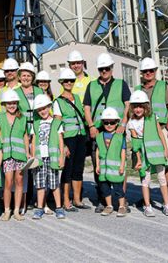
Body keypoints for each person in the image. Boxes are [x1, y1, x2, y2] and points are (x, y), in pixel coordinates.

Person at [84, 53, 131, 211]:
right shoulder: (92, 85)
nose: (104, 71)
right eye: (101, 69)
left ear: (112, 68)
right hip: (98, 130)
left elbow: (127, 105)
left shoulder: (121, 84)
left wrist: (123, 123)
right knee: (100, 165)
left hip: (117, 129)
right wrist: (91, 126)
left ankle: (121, 200)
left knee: (119, 165)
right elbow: (87, 107)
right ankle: (104, 200)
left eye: (107, 68)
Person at [135, 57, 168, 202]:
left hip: (162, 129)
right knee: (144, 165)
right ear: (141, 72)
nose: (148, 73)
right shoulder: (138, 89)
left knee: (165, 162)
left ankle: (167, 198)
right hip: (142, 131)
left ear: (155, 71)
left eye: (151, 70)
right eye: (145, 71)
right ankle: (146, 198)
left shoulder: (163, 86)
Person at [127, 90, 168, 217]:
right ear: (132, 107)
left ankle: (166, 205)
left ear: (146, 106)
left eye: (140, 106)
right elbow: (135, 144)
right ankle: (147, 206)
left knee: (162, 178)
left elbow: (160, 134)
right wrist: (139, 160)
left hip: (157, 153)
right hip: (143, 155)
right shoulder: (132, 123)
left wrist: (165, 149)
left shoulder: (153, 118)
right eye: (135, 106)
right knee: (145, 180)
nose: (138, 109)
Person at [55, 68, 87, 212]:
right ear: (61, 82)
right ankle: (66, 200)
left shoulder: (77, 98)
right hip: (68, 138)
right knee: (67, 170)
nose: (69, 83)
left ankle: (77, 199)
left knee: (78, 168)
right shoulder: (58, 102)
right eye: (66, 80)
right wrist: (64, 146)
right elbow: (57, 125)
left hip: (80, 136)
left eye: (71, 80)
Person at [30, 95, 66, 220]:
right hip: (40, 159)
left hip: (53, 158)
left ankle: (59, 208)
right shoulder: (35, 124)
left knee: (54, 184)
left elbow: (61, 141)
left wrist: (61, 157)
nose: (42, 111)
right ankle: (39, 208)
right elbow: (33, 141)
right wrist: (33, 157)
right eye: (39, 110)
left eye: (44, 108)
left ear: (49, 107)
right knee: (40, 185)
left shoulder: (57, 123)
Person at [13, 61, 42, 212]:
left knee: (38, 164)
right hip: (23, 132)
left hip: (37, 130)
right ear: (19, 77)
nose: (25, 78)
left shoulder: (39, 92)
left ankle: (40, 198)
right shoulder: (15, 93)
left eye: (28, 75)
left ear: (32, 76)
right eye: (23, 75)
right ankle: (26, 198)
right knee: (24, 166)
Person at [0, 89, 30, 221]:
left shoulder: (23, 118)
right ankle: (7, 210)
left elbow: (25, 136)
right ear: (4, 104)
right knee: (8, 182)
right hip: (7, 154)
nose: (11, 106)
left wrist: (27, 152)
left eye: (14, 103)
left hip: (20, 154)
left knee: (19, 181)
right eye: (9, 103)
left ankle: (16, 210)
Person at [95, 107, 126, 217]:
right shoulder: (99, 136)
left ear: (117, 122)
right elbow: (98, 151)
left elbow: (123, 151)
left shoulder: (119, 136)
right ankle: (109, 206)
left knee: (118, 188)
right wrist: (97, 165)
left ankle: (122, 206)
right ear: (102, 122)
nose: (109, 125)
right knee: (105, 188)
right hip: (103, 168)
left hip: (116, 168)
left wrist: (122, 165)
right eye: (106, 122)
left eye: (112, 122)